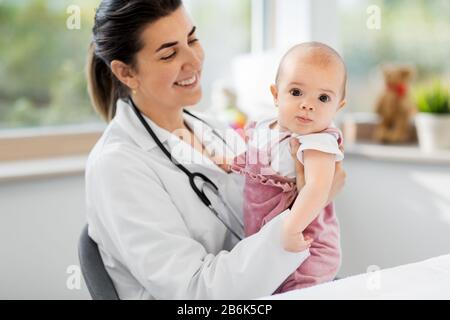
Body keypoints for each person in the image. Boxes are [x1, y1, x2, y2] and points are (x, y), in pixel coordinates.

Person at [85, 0, 346, 299]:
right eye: (169, 53)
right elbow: (195, 291)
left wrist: (313, 189)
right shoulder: (117, 166)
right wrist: (291, 226)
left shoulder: (214, 130)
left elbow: (266, 200)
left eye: (192, 39)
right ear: (126, 73)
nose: (194, 61)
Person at [229, 42, 347, 292]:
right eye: (296, 92)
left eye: (323, 97)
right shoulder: (264, 127)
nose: (308, 104)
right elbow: (251, 156)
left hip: (306, 250)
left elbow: (317, 187)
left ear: (338, 107)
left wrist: (292, 229)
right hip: (270, 242)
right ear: (275, 94)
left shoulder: (316, 141)